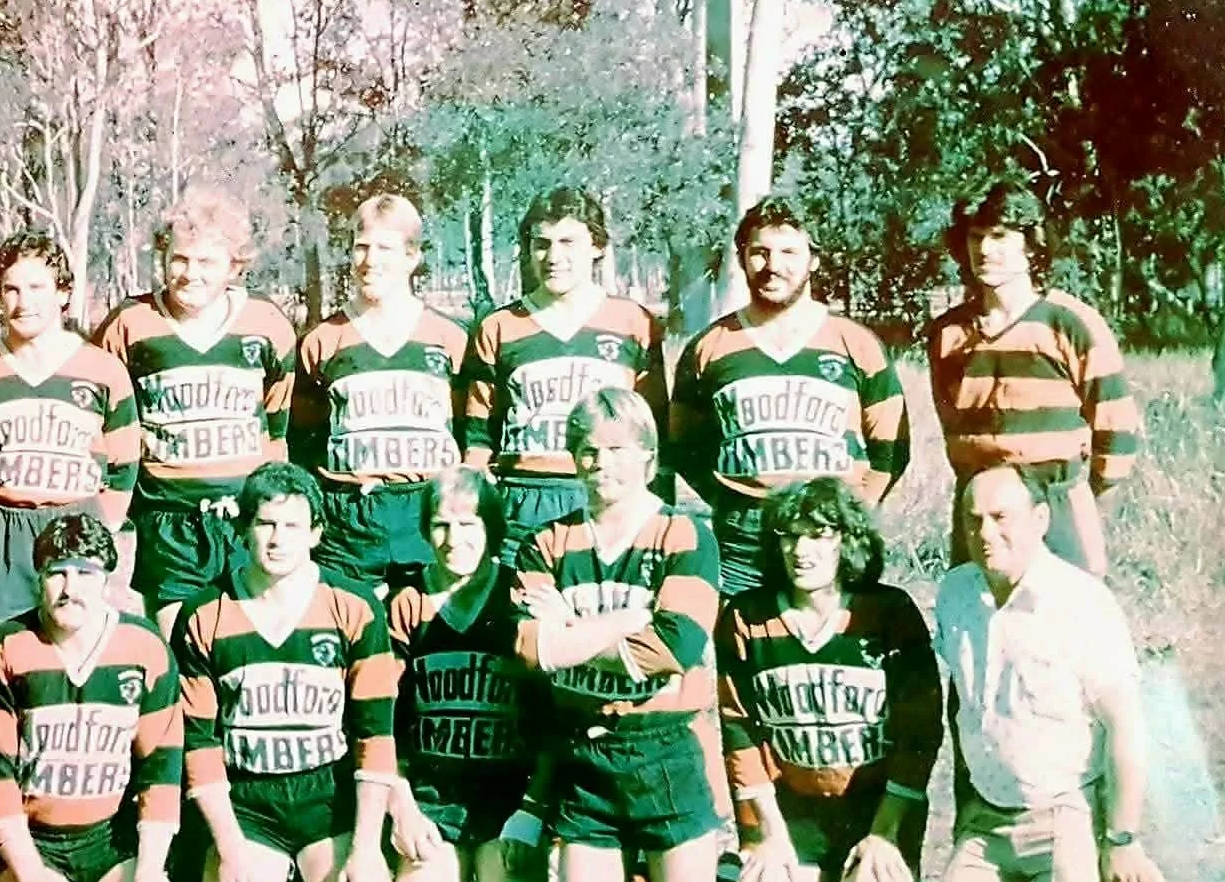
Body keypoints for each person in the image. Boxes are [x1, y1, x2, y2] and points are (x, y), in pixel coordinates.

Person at [930, 465, 1195, 882]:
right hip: (988, 819)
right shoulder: (955, 593)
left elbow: (1125, 729)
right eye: (973, 519)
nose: (985, 533)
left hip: (1065, 813)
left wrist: (1121, 838)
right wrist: (965, 809)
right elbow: (962, 705)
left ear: (1041, 518)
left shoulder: (1083, 603)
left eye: (1001, 517)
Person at [512, 387, 722, 882]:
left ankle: (682, 877)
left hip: (665, 753)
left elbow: (674, 647)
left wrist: (575, 632)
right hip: (586, 760)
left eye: (615, 447)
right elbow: (533, 647)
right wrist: (628, 620)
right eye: (585, 448)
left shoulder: (685, 534)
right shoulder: (546, 541)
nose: (599, 461)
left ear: (647, 457)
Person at [172, 462, 400, 882]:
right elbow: (200, 747)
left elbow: (375, 736)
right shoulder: (204, 614)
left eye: (292, 525)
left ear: (316, 533)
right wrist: (230, 850)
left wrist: (365, 850)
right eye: (265, 524)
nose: (278, 539)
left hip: (327, 799)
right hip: (250, 803)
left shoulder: (355, 606)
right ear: (242, 528)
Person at [717, 477, 941, 882]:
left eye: (819, 534)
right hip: (794, 814)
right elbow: (738, 730)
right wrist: (769, 835)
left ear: (848, 540)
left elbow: (919, 733)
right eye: (789, 535)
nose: (801, 549)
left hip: (875, 811)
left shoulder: (888, 613)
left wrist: (885, 832)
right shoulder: (746, 617)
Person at [668, 195, 909, 596]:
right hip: (743, 537)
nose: (773, 266)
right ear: (742, 257)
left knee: (837, 648)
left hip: (830, 529)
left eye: (789, 252)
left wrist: (852, 511)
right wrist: (730, 498)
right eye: (759, 252)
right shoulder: (709, 347)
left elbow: (892, 449)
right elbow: (684, 446)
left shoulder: (855, 343)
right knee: (747, 645)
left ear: (814, 259)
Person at [0, 513, 186, 882]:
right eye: (57, 572)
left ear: (107, 579)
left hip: (110, 844)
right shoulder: (6, 646)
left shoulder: (144, 645)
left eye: (86, 572)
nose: (71, 588)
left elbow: (161, 771)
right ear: (38, 579)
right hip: (35, 843)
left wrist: (149, 874)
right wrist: (29, 875)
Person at [95, 186, 296, 640]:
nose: (190, 274)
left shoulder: (266, 325)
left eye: (207, 262)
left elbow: (278, 426)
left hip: (245, 516)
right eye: (180, 259)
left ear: (234, 267)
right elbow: (105, 417)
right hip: (169, 519)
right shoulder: (129, 324)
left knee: (248, 645)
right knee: (178, 646)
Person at [927, 177, 1143, 576]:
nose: (985, 250)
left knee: (1065, 626)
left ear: (1030, 245)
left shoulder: (1070, 323)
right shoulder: (948, 332)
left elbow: (1116, 431)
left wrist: (1076, 500)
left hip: (1056, 502)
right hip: (981, 506)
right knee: (978, 620)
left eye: (1000, 235)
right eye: (976, 237)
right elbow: (952, 425)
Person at [384, 467, 549, 882]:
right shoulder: (405, 604)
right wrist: (402, 805)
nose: (453, 539)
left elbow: (550, 720)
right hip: (433, 797)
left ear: (492, 529)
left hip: (505, 799)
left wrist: (532, 811)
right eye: (441, 525)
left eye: (468, 524)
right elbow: (378, 717)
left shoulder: (519, 599)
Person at [0, 229, 139, 627]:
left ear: (63, 293)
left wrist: (103, 524)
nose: (23, 301)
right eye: (11, 289)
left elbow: (124, 463)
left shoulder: (102, 370)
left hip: (74, 523)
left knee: (67, 653)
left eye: (37, 287)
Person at [462, 183, 668, 552]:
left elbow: (654, 433)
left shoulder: (634, 322)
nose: (553, 256)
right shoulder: (498, 327)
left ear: (597, 246)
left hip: (607, 493)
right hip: (524, 499)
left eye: (568, 242)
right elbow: (478, 437)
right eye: (542, 244)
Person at [289, 194, 469, 593]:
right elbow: (303, 441)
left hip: (427, 509)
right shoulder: (322, 341)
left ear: (411, 256)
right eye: (361, 247)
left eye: (385, 248)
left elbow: (469, 432)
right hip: (350, 518)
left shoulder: (450, 338)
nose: (370, 261)